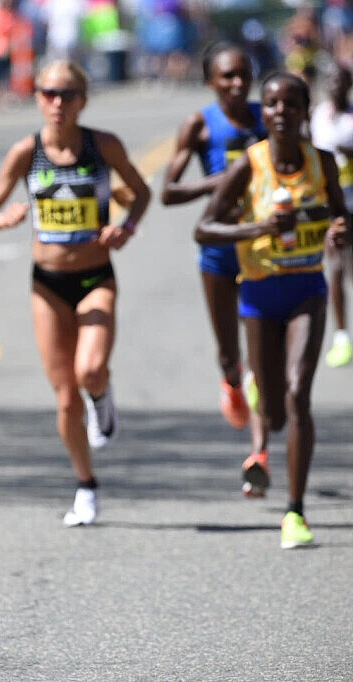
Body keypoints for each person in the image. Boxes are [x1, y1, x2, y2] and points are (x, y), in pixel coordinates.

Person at [0, 60, 150, 527]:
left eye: (67, 94)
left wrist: (126, 227)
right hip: (47, 285)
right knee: (66, 397)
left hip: (95, 277)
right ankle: (85, 485)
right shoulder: (26, 152)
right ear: (37, 98)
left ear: (83, 101)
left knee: (90, 369)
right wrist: (3, 219)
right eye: (49, 93)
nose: (57, 102)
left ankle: (102, 394)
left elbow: (141, 192)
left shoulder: (103, 145)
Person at [196, 72, 348, 549]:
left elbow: (342, 217)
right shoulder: (251, 164)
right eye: (272, 104)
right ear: (264, 113)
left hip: (306, 290)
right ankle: (257, 390)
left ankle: (294, 512)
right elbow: (204, 228)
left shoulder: (322, 163)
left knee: (299, 396)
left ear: (305, 111)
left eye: (291, 104)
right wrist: (258, 228)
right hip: (259, 295)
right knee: (277, 413)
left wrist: (340, 231)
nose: (281, 112)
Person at [160, 43, 270, 495]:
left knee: (263, 358)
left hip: (264, 250)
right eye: (227, 76)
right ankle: (230, 381)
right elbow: (168, 191)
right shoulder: (200, 124)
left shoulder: (271, 116)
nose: (237, 84)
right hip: (219, 253)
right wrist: (222, 180)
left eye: (243, 74)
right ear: (210, 81)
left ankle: (259, 455)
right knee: (231, 355)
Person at [310, 63, 353, 368]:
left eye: (341, 80)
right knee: (335, 266)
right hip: (329, 205)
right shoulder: (318, 115)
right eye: (331, 80)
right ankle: (341, 336)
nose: (335, 85)